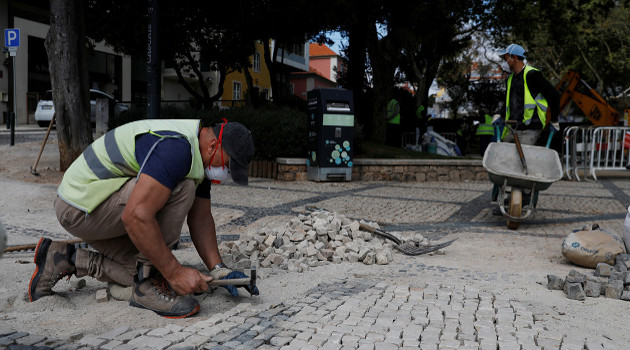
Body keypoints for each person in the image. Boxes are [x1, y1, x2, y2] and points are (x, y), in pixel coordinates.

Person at [28, 118, 258, 318]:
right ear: (213, 145)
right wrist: (176, 273)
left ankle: (63, 258)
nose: (226, 173)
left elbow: (201, 219)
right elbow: (136, 216)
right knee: (183, 188)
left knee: (152, 271)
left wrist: (219, 269)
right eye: (227, 165)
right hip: (78, 207)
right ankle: (146, 287)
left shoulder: (196, 155)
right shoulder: (177, 149)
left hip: (94, 208)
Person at [492, 43, 561, 214]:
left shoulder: (532, 75)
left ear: (514, 58)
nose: (505, 61)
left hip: (531, 126)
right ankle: (503, 198)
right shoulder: (510, 79)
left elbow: (553, 95)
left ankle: (524, 195)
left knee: (524, 161)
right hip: (512, 127)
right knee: (502, 160)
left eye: (506, 58)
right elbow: (509, 101)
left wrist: (554, 119)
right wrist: (499, 114)